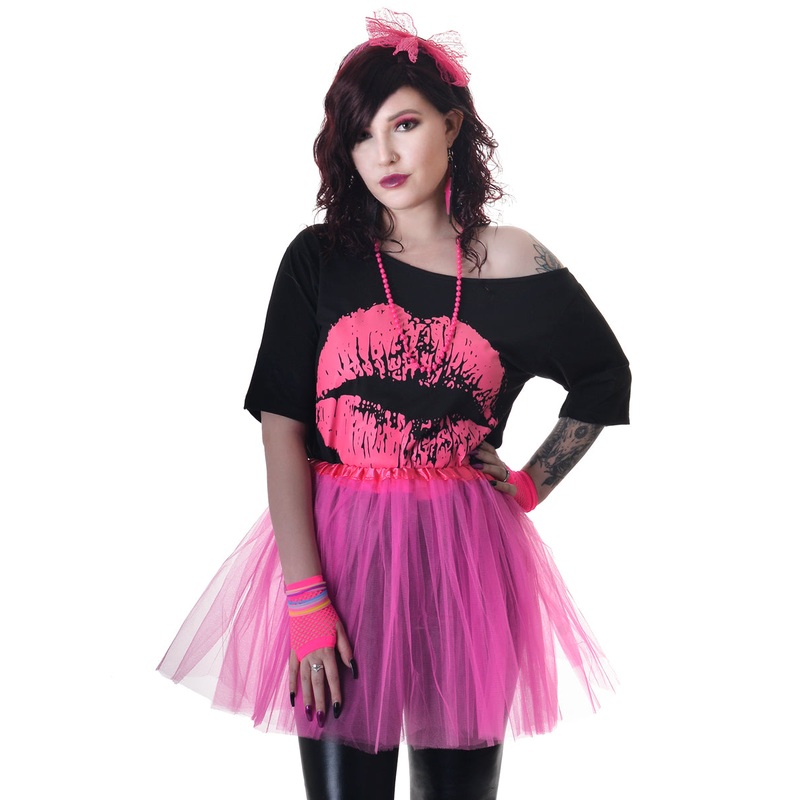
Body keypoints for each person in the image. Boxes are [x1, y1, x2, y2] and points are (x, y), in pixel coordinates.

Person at [157, 9, 631, 800]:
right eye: (361, 135)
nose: (383, 153)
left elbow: (604, 378)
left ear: (451, 125)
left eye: (404, 125)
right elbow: (282, 430)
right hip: (339, 561)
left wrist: (526, 485)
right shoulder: (319, 259)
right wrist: (305, 598)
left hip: (467, 562)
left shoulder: (512, 260)